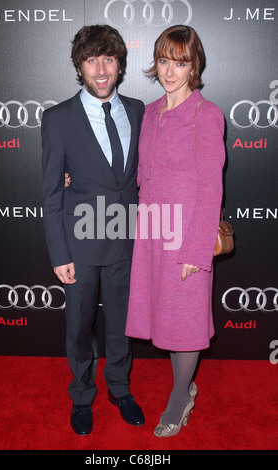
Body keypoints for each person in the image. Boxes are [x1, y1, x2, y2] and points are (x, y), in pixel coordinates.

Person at [41, 24, 145, 436]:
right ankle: (82, 396)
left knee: (121, 325)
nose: (101, 70)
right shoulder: (58, 118)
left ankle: (120, 389)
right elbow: (50, 192)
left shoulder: (139, 110)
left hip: (127, 241)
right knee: (79, 329)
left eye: (108, 59)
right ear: (79, 67)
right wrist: (58, 254)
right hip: (79, 245)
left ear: (120, 65)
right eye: (91, 60)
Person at [125, 25, 226, 437]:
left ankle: (180, 396)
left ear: (193, 65)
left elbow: (211, 187)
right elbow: (140, 176)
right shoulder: (149, 112)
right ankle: (185, 385)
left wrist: (196, 250)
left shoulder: (207, 114)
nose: (170, 71)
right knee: (164, 316)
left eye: (180, 62)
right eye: (164, 61)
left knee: (184, 323)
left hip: (186, 235)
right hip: (152, 233)